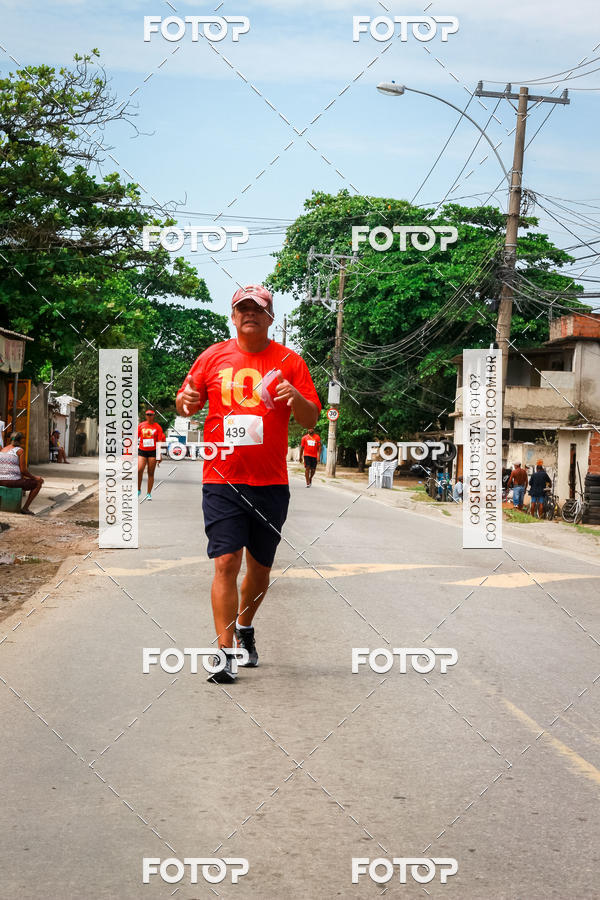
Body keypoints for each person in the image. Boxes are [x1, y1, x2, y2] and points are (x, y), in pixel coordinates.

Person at [176, 284, 320, 684]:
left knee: (258, 571)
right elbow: (187, 398)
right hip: (221, 477)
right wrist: (185, 402)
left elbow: (310, 419)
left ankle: (245, 626)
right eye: (243, 308)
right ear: (233, 315)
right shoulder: (213, 356)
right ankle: (224, 653)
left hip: (270, 483)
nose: (249, 314)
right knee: (225, 562)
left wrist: (297, 398)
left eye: (258, 309)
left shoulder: (290, 362)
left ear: (270, 317)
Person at [0, 431, 44, 515]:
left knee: (23, 480)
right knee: (38, 482)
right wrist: (34, 477)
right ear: (20, 440)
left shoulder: (2, 450)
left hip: (0, 479)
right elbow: (23, 471)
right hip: (11, 481)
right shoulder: (19, 451)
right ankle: (25, 508)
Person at [137, 410, 165, 501]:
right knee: (139, 469)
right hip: (142, 450)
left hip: (153, 451)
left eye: (151, 415)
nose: (149, 416)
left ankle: (149, 493)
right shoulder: (141, 425)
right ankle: (138, 489)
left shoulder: (158, 427)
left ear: (154, 416)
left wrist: (159, 454)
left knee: (151, 472)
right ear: (145, 416)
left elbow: (160, 441)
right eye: (147, 414)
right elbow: (135, 437)